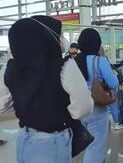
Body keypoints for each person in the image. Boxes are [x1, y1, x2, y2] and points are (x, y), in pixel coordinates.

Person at [2, 16, 93, 162]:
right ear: (45, 37)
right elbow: (83, 107)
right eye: (60, 34)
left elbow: (2, 105)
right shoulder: (65, 66)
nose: (62, 39)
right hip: (55, 140)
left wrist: (25, 109)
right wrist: (62, 114)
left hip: (24, 137)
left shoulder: (10, 68)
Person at [75, 28, 119, 163]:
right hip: (97, 108)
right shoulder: (100, 61)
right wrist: (114, 76)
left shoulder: (74, 61)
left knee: (89, 145)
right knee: (96, 146)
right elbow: (113, 83)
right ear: (97, 43)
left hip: (79, 107)